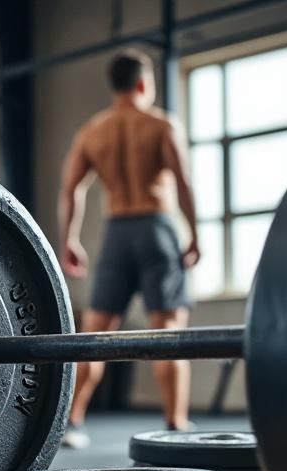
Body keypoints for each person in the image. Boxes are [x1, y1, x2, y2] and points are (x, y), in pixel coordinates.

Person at [58, 49, 201, 449]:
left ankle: (72, 422)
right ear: (143, 83)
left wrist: (69, 237)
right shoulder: (159, 124)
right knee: (169, 329)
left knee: (95, 336)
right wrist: (195, 233)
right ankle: (176, 423)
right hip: (156, 227)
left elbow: (71, 189)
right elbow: (183, 180)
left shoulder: (92, 132)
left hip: (116, 233)